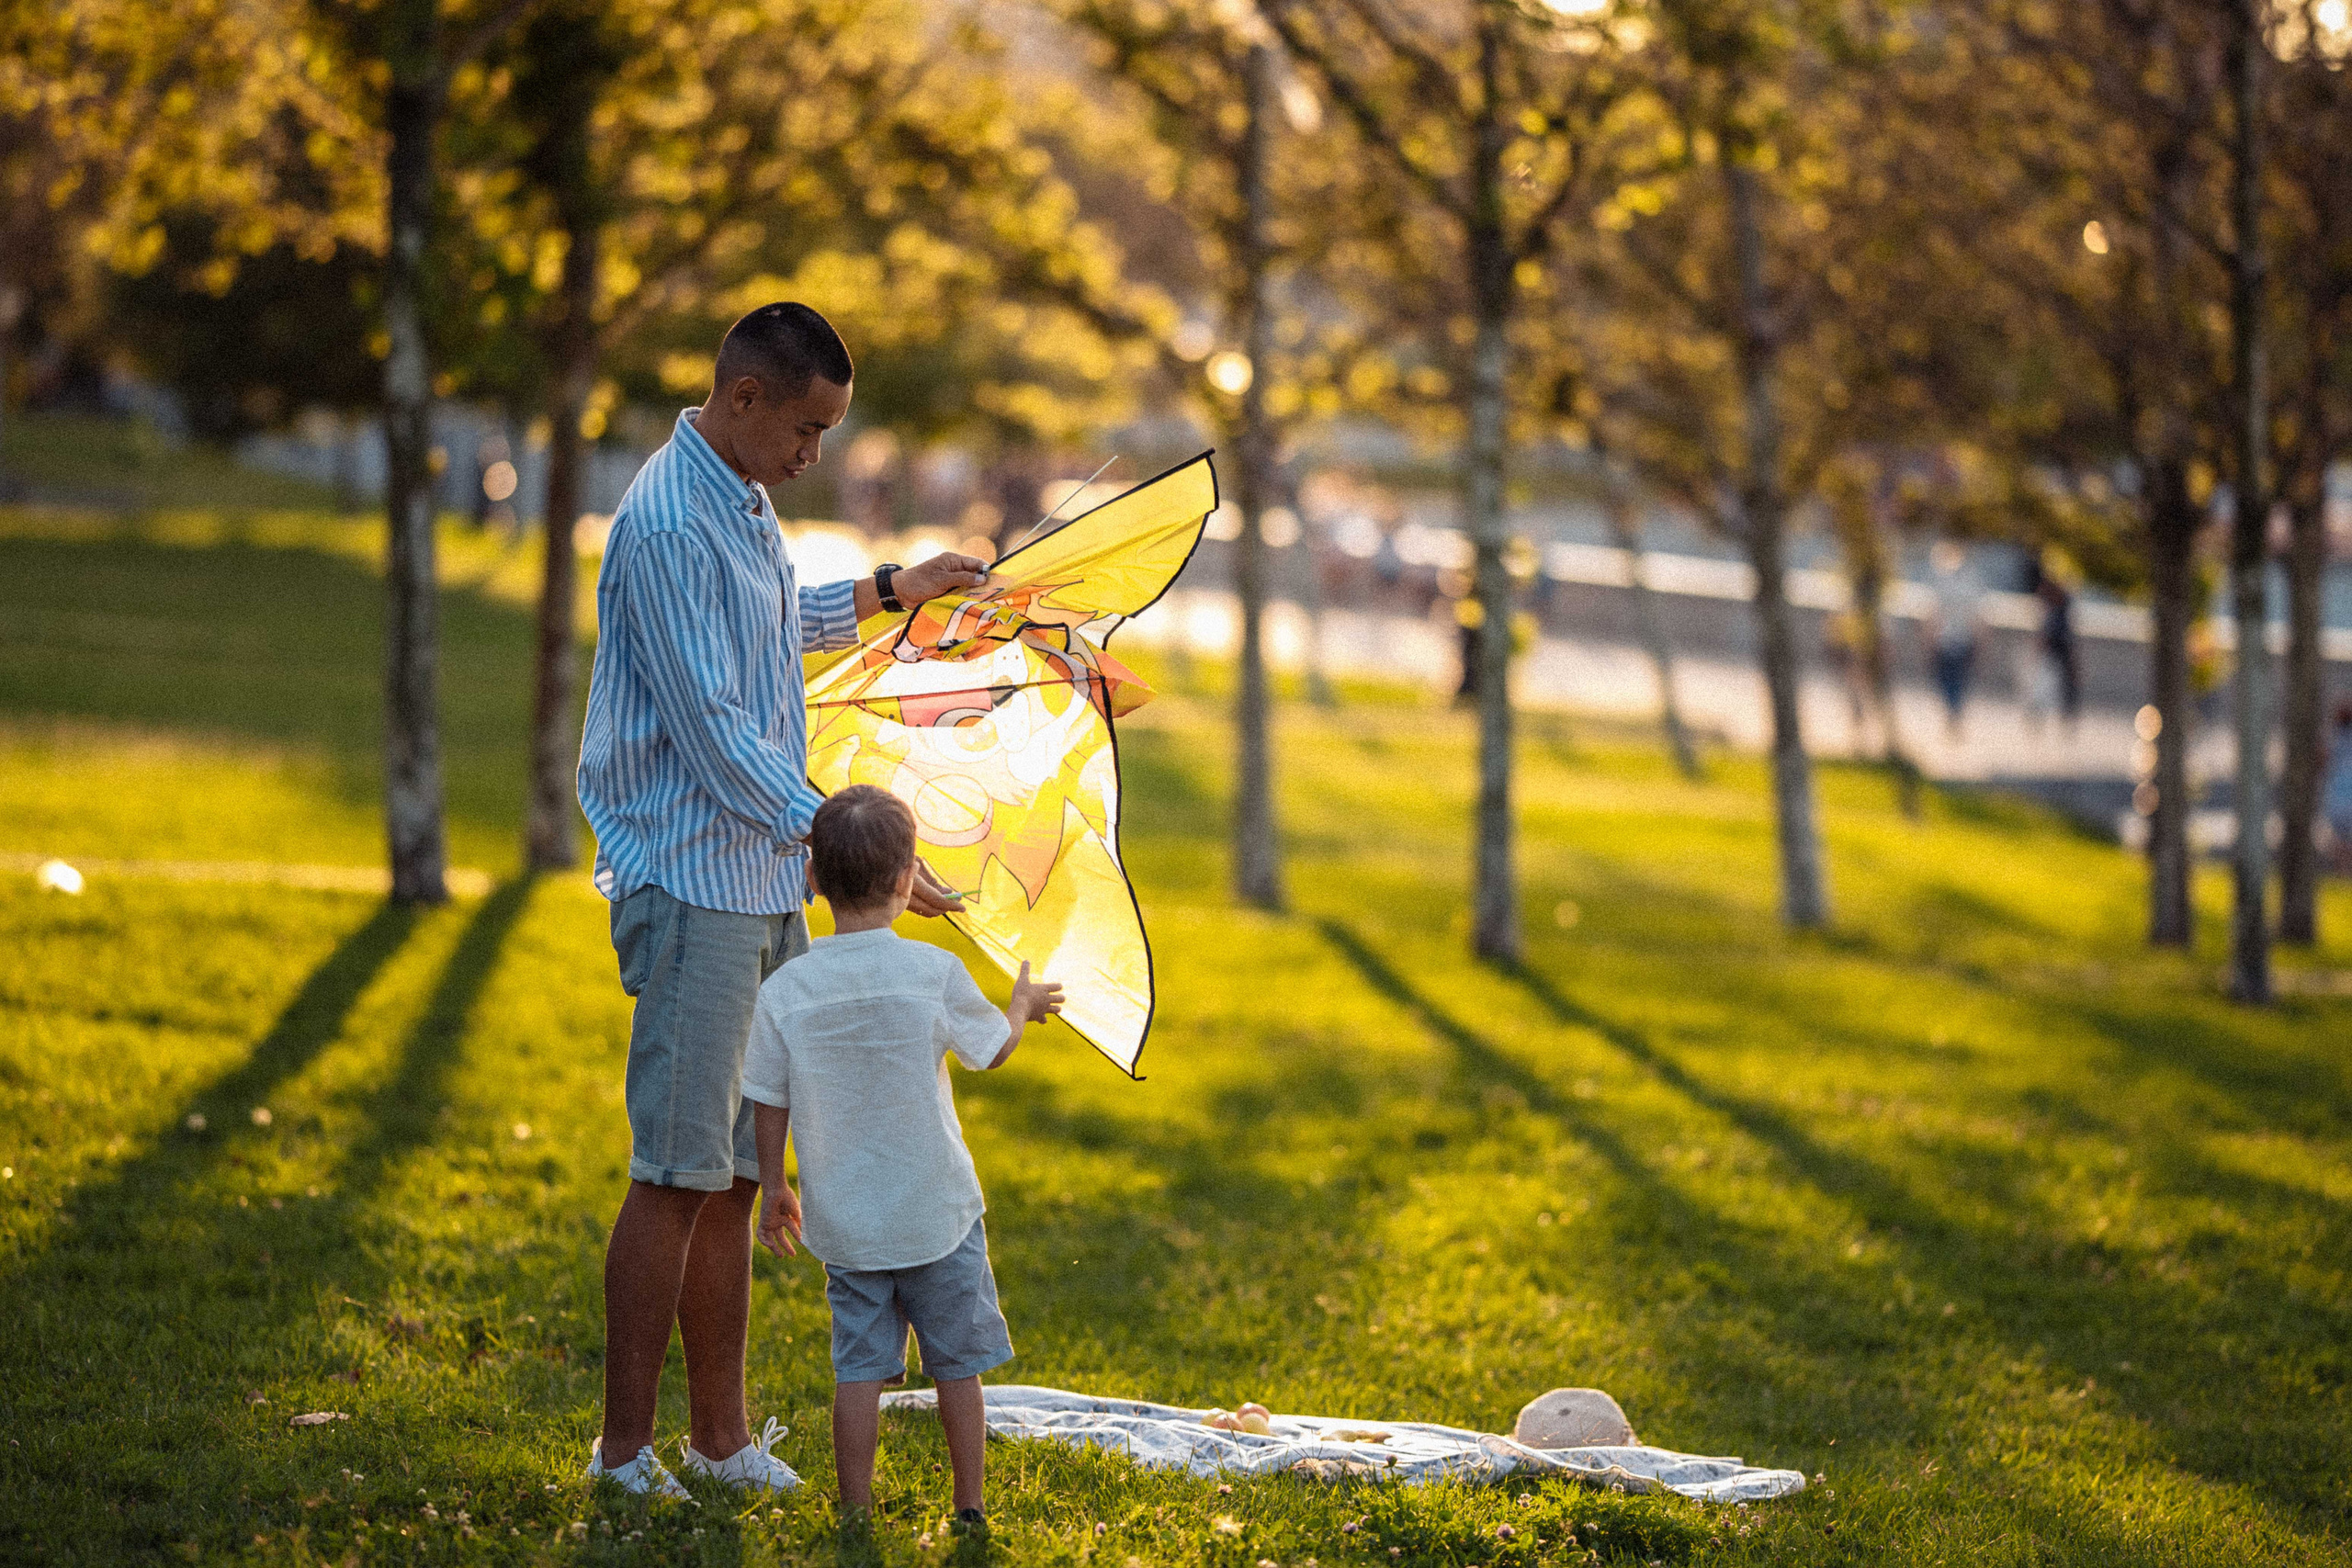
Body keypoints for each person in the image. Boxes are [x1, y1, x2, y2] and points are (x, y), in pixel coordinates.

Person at [576, 302, 990, 1498]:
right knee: (676, 1172)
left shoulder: (743, 496)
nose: (815, 454)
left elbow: (769, 622)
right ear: (744, 396)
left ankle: (720, 1441)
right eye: (807, 429)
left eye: (828, 434)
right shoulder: (666, 520)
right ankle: (620, 1454)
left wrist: (892, 587)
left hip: (759, 879)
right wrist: (853, 842)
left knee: (736, 1180)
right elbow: (713, 733)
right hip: (693, 879)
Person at [744, 785, 1062, 1527]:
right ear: (906, 878)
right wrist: (1020, 1007)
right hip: (938, 1213)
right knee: (958, 1366)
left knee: (858, 1371)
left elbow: (767, 1096)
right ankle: (969, 1504)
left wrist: (773, 1184)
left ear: (812, 878)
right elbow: (992, 1049)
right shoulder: (932, 970)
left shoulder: (785, 989)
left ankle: (855, 1510)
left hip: (847, 1225)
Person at [1924, 539, 1984, 742]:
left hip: (1945, 640)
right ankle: (1955, 713)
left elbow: (1933, 615)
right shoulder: (1971, 583)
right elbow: (1977, 618)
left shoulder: (1941, 582)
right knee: (1958, 681)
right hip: (1963, 640)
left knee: (1947, 681)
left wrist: (1928, 639)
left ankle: (1952, 714)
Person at [2325, 702, 2352, 875]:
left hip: (2340, 795)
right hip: (2338, 794)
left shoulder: (2336, 739)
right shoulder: (2336, 738)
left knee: (2342, 841)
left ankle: (2343, 871)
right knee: (2341, 840)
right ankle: (2343, 872)